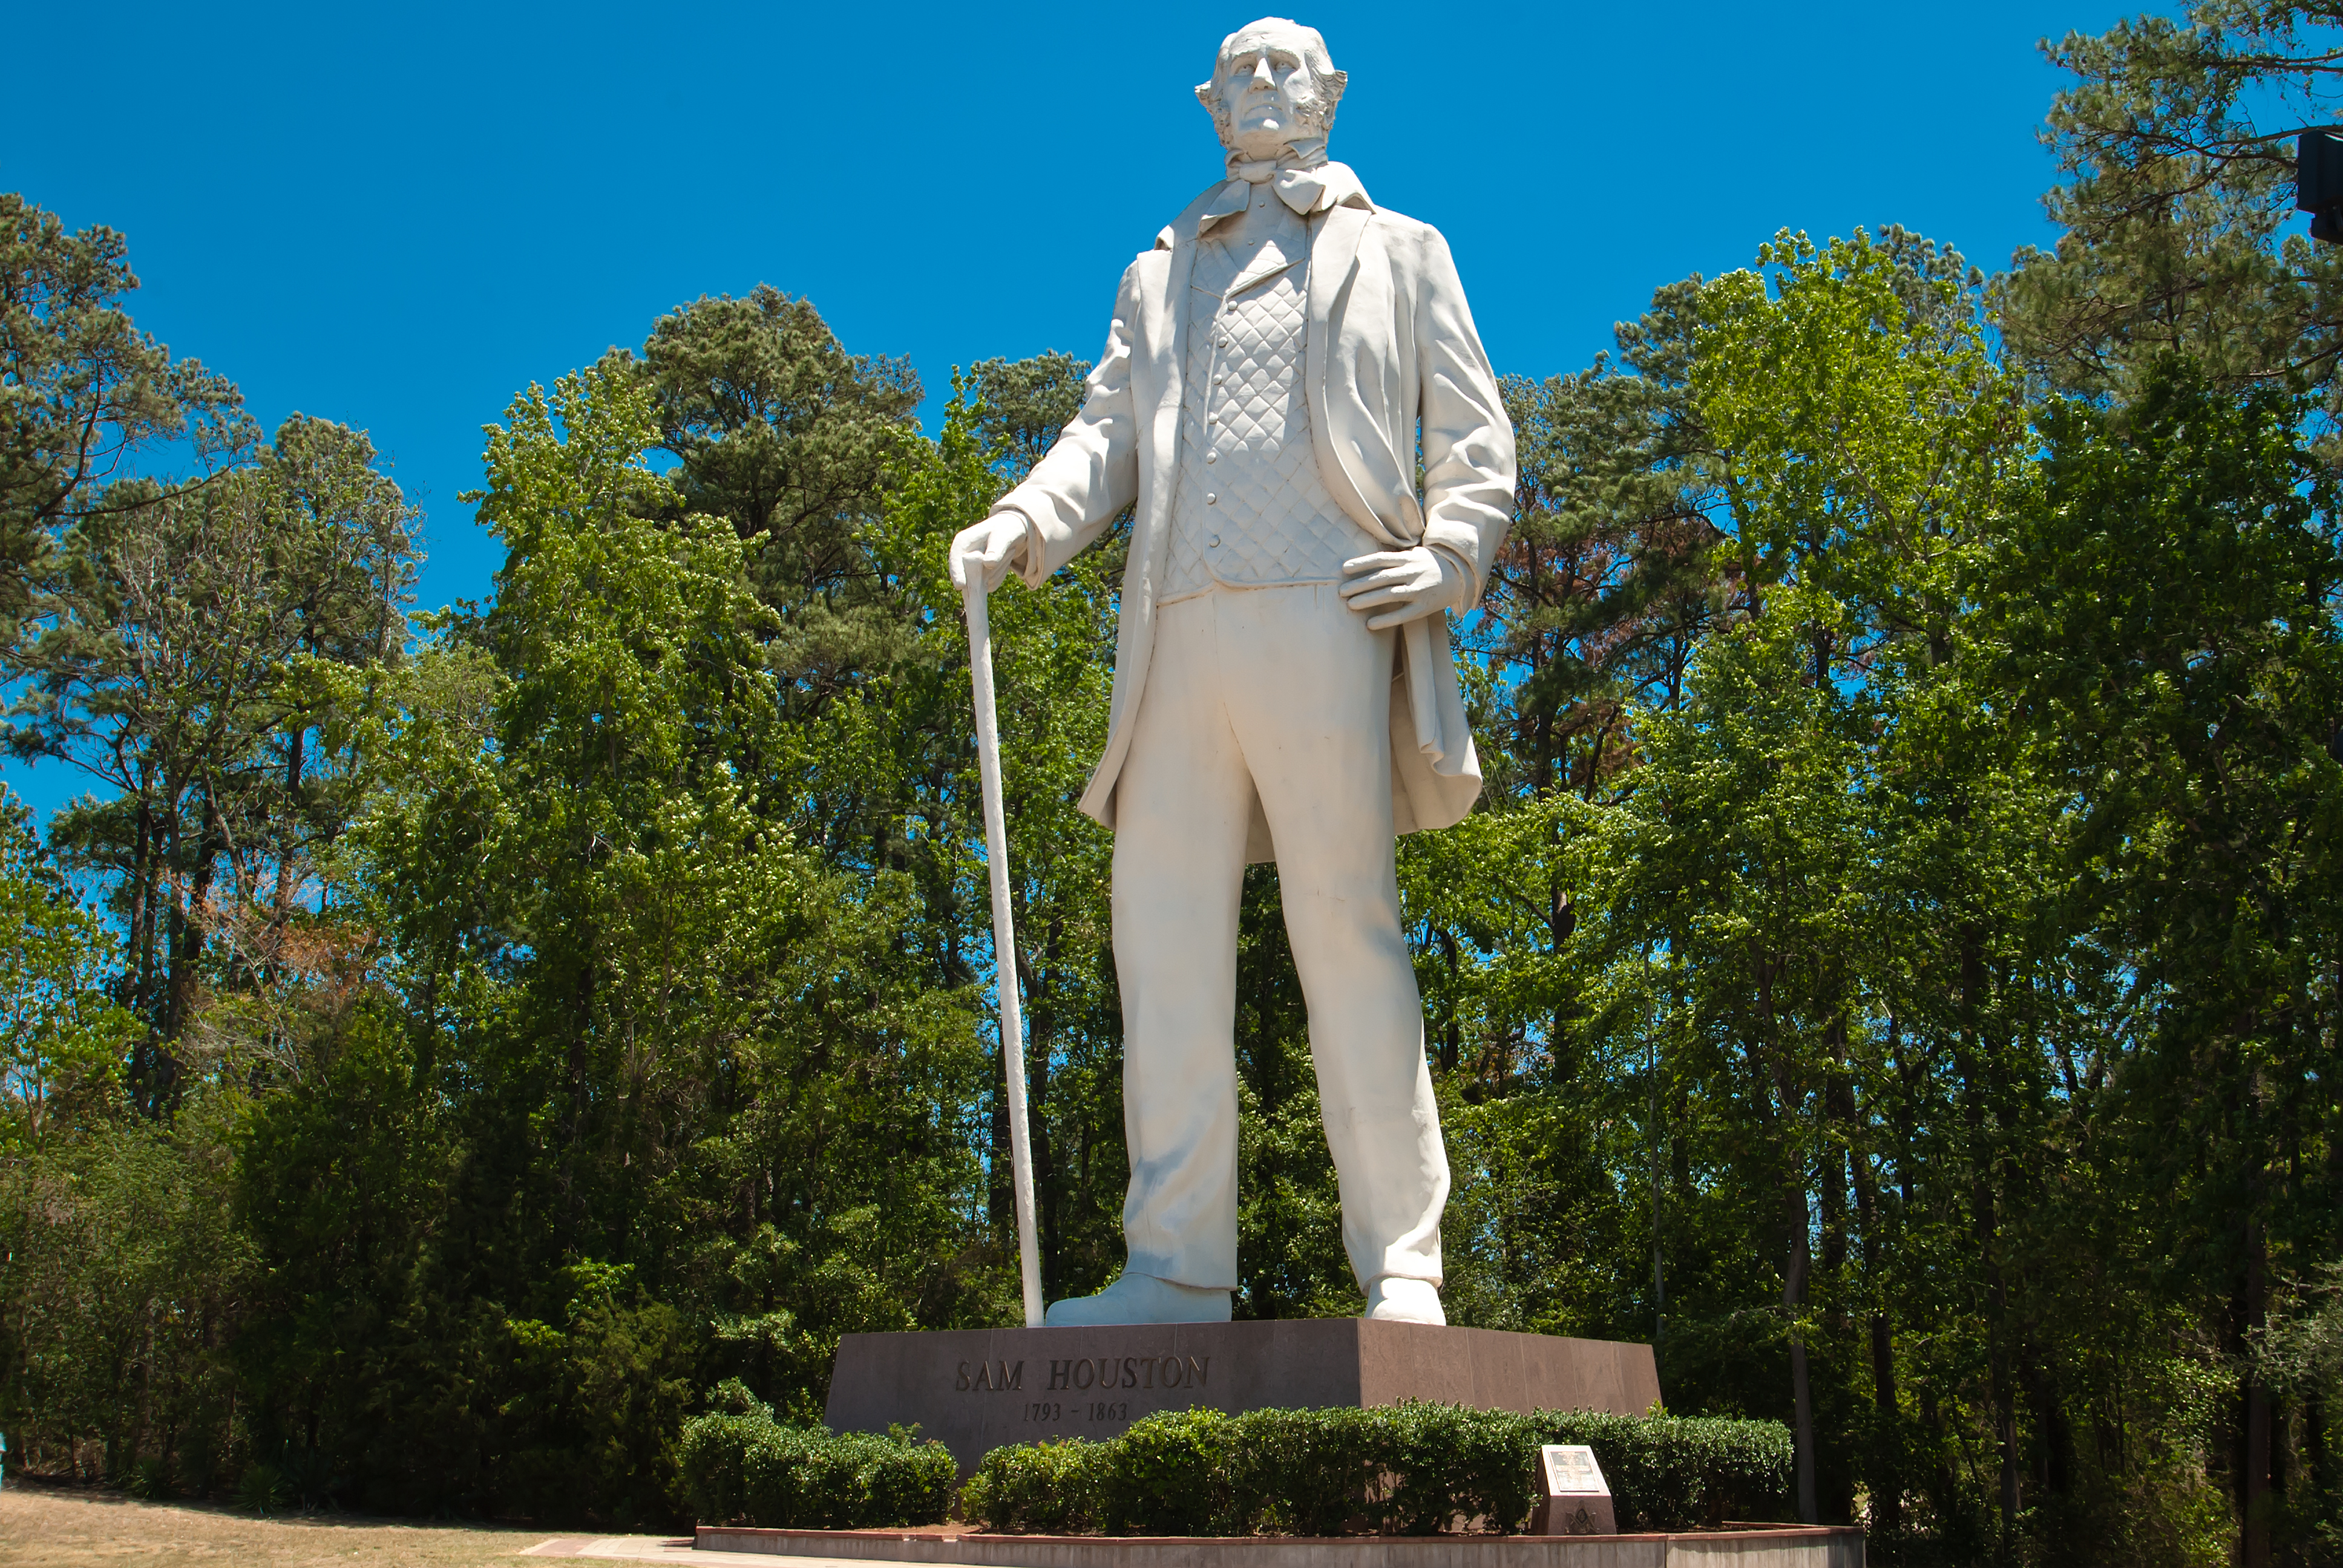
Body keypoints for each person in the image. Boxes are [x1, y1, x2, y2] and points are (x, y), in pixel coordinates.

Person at [950, 16, 1515, 1327]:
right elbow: (1106, 433)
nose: (1263, 83)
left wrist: (1448, 555)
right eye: (1239, 68)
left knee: (1346, 931)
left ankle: (1403, 1265)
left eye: (1286, 65)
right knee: (1161, 945)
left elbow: (1475, 437)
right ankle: (1175, 1265)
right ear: (1209, 101)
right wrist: (1027, 519)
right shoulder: (1159, 271)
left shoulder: (1403, 249)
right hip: (1176, 632)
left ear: (1331, 91)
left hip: (1331, 611)